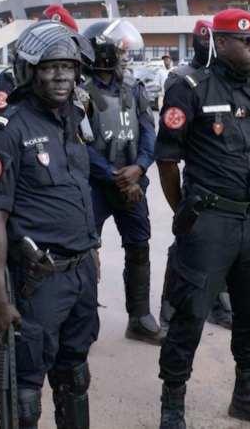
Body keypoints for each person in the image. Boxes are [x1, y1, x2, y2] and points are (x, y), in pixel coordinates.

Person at [155, 9, 250, 429]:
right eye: (245, 41)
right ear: (220, 43)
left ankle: (247, 395)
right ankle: (172, 407)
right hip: (208, 221)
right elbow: (166, 159)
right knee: (190, 313)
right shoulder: (188, 88)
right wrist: (185, 211)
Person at [0, 21, 100, 429]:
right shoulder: (5, 132)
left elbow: (78, 192)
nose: (62, 76)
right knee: (25, 388)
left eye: (68, 66)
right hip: (39, 280)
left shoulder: (74, 120)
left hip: (81, 273)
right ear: (30, 72)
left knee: (74, 373)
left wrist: (92, 257)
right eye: (50, 67)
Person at [80, 19, 163, 344]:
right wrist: (117, 177)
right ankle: (84, 325)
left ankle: (139, 317)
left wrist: (140, 169)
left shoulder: (134, 90)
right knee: (85, 252)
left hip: (132, 185)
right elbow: (80, 145)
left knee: (139, 246)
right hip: (96, 189)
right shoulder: (80, 95)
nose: (125, 55)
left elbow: (149, 134)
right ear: (102, 52)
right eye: (119, 50)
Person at [159, 18, 234, 332]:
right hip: (197, 173)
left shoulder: (228, 77)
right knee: (185, 246)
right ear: (194, 43)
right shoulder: (180, 78)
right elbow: (173, 136)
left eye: (210, 42)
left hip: (224, 175)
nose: (207, 48)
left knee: (225, 248)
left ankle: (218, 304)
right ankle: (169, 308)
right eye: (201, 43)